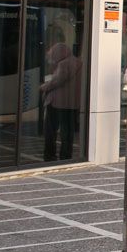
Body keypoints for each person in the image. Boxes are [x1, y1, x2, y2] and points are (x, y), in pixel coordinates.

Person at [40, 33, 82, 161]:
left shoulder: (64, 64)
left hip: (56, 103)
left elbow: (57, 81)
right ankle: (66, 155)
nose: (51, 57)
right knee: (67, 132)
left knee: (50, 131)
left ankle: (50, 155)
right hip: (71, 103)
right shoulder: (78, 62)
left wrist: (43, 87)